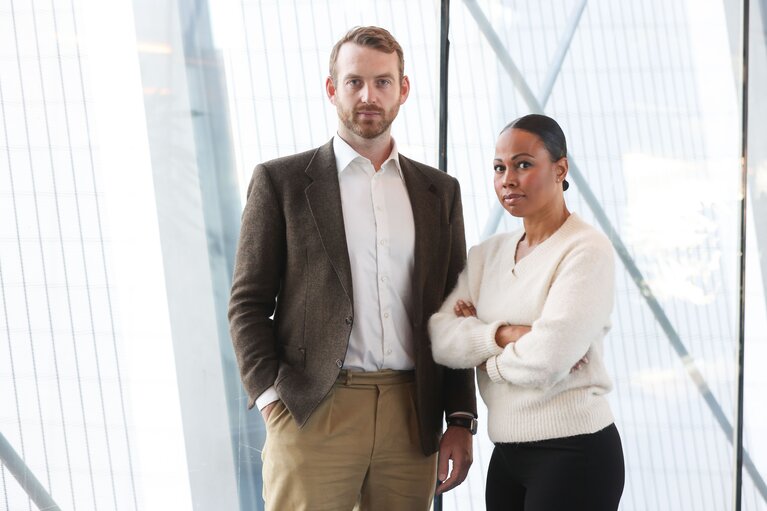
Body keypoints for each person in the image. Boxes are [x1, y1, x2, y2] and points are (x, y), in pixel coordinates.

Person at [228, 26, 476, 511]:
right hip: (313, 410)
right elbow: (247, 304)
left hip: (412, 414)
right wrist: (270, 399)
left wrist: (461, 418)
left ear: (403, 90)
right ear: (331, 89)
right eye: (354, 82)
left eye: (383, 82)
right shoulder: (280, 183)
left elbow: (456, 309)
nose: (369, 95)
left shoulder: (438, 192)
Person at [428, 114, 625, 510]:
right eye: (499, 168)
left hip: (575, 454)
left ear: (560, 169)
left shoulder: (585, 251)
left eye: (523, 164)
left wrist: (486, 363)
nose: (508, 179)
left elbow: (547, 360)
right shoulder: (487, 255)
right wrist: (501, 336)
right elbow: (440, 339)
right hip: (506, 455)